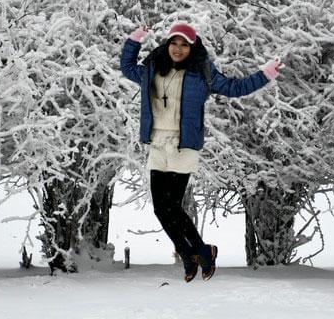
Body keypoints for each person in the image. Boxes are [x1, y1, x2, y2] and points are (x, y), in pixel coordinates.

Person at [120, 23, 284, 282]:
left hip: (184, 145)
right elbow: (127, 67)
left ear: (192, 48)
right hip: (157, 143)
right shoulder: (152, 69)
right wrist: (135, 39)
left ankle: (194, 253)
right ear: (167, 44)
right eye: (174, 43)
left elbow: (234, 88)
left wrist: (266, 74)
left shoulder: (201, 74)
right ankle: (195, 251)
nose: (178, 49)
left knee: (172, 205)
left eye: (184, 44)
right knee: (161, 209)